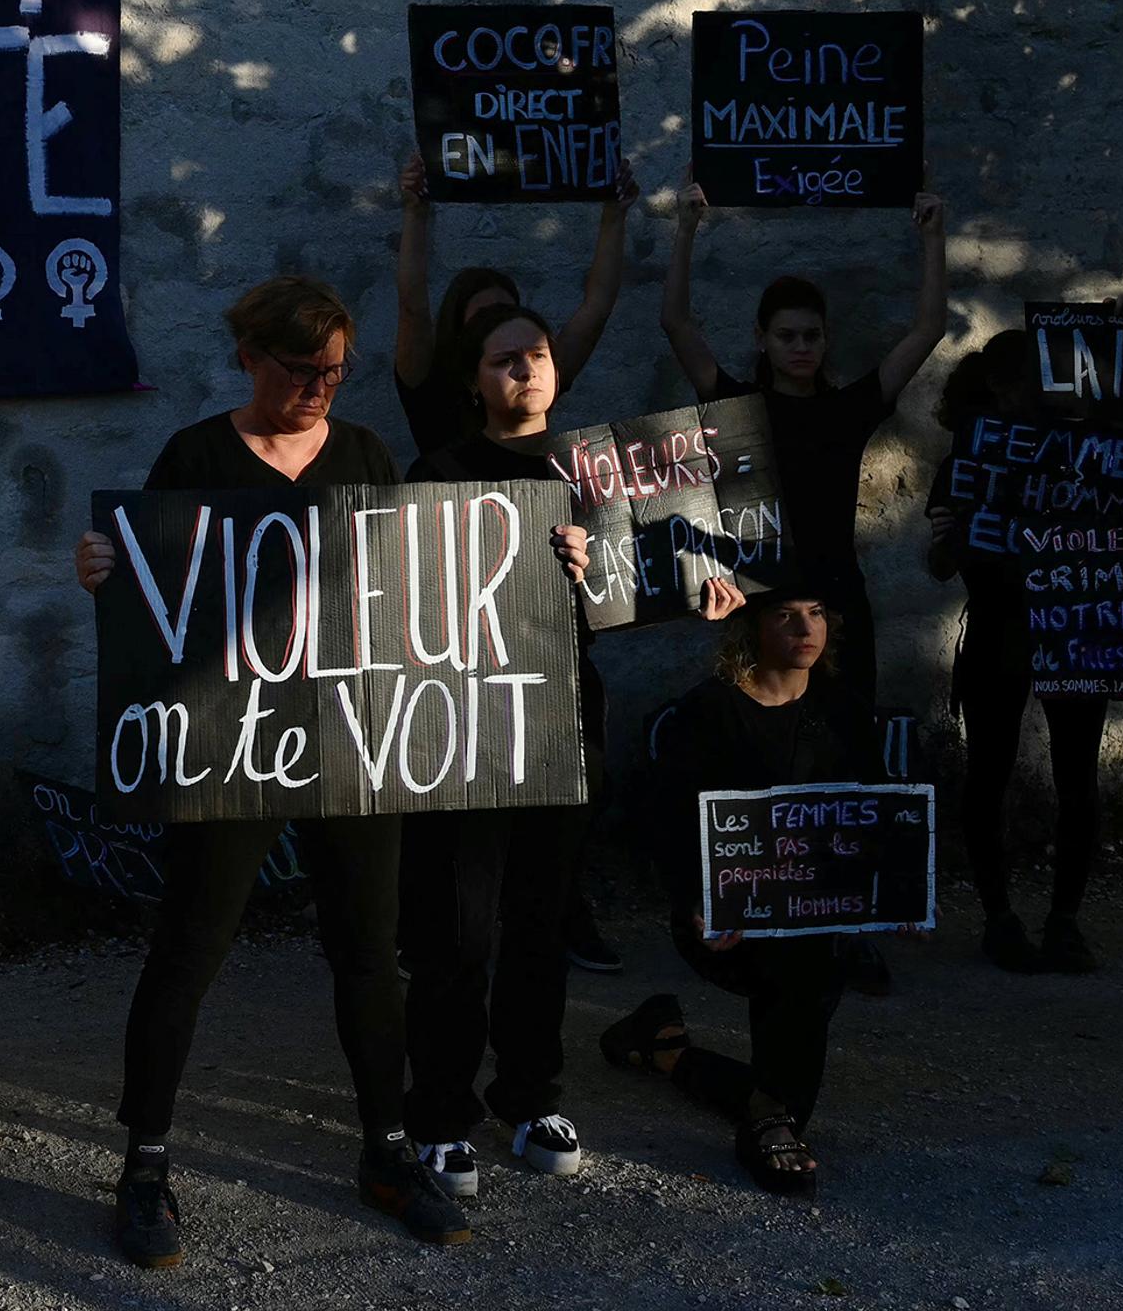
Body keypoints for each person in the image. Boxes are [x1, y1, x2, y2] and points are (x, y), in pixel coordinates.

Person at [66, 275, 468, 1264]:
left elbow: (424, 585)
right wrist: (105, 579)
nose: (320, 388)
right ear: (250, 357)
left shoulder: (368, 453)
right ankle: (146, 1163)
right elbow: (159, 605)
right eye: (301, 371)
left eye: (334, 370)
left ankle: (387, 1149)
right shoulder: (197, 456)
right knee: (190, 948)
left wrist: (557, 561)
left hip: (349, 740)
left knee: (371, 950)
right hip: (231, 746)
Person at [396, 301, 630, 1201]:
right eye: (503, 361)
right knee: (458, 932)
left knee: (541, 923)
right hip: (465, 733)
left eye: (535, 355)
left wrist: (597, 571)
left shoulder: (596, 476)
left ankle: (530, 1098)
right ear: (475, 380)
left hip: (565, 730)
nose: (524, 372)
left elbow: (635, 595)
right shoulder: (440, 473)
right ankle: (441, 1115)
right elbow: (408, 607)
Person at [600, 586, 913, 1196]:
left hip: (817, 911)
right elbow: (664, 825)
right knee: (804, 962)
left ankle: (688, 1065)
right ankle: (768, 1122)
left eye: (818, 611)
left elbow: (876, 815)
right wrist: (696, 900)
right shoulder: (707, 713)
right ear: (751, 629)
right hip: (726, 918)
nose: (806, 627)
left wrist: (895, 895)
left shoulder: (844, 711)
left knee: (811, 951)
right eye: (786, 615)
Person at [657, 182, 950, 718]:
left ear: (825, 339)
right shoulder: (738, 407)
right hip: (761, 600)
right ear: (762, 338)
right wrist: (685, 228)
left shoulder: (849, 409)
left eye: (810, 336)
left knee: (848, 735)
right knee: (764, 740)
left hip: (836, 601)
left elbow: (929, 328)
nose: (799, 348)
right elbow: (676, 324)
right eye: (786, 336)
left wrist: (933, 237)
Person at [924, 331, 1119, 974]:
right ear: (1002, 389)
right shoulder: (970, 460)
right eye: (1026, 387)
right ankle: (1004, 917)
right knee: (994, 773)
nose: (1038, 399)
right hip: (1008, 629)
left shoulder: (1083, 452)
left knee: (1073, 780)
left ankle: (1059, 920)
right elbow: (940, 563)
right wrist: (951, 538)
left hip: (1066, 626)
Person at [386, 157, 629, 461]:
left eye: (506, 314)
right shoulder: (429, 382)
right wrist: (415, 212)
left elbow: (596, 307)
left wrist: (614, 214)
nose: (526, 371)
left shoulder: (534, 372)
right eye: (483, 320)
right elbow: (412, 307)